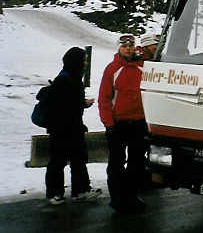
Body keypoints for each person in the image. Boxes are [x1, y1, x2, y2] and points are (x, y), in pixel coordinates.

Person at [45, 47, 102, 205]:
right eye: (83, 59)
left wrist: (82, 104)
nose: (85, 63)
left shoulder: (72, 77)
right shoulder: (65, 79)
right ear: (76, 61)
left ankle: (80, 190)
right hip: (63, 129)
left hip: (71, 127)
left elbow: (70, 103)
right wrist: (82, 103)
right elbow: (62, 106)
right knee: (59, 160)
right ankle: (55, 193)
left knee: (77, 159)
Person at [98, 34, 146, 213]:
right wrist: (109, 124)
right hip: (118, 123)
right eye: (124, 45)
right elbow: (104, 98)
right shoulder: (112, 69)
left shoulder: (142, 67)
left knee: (137, 162)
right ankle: (117, 198)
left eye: (131, 45)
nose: (128, 48)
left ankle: (132, 195)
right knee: (117, 162)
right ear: (118, 48)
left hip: (139, 122)